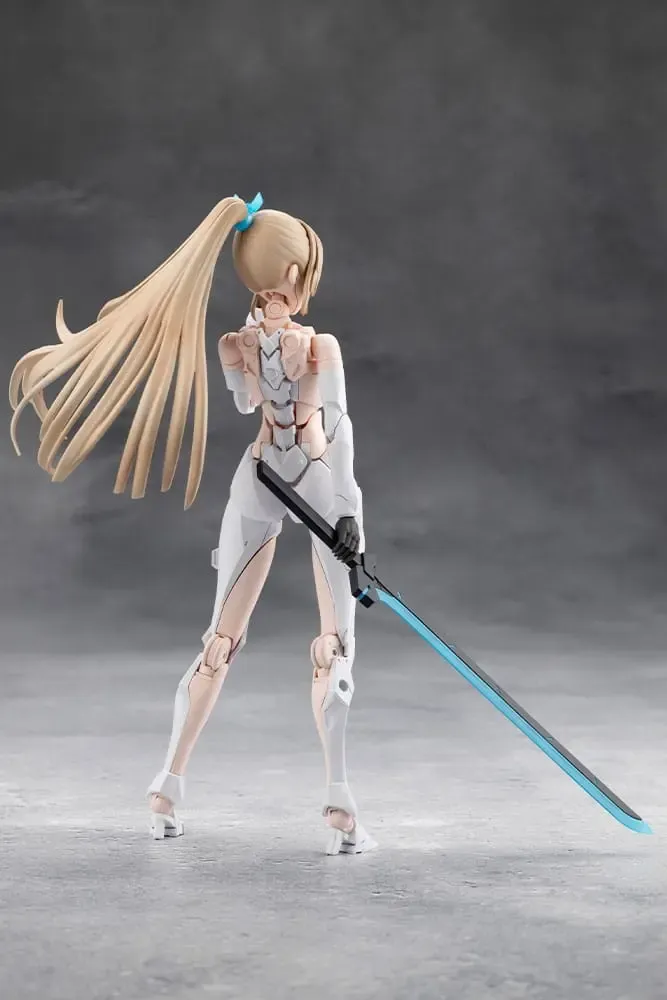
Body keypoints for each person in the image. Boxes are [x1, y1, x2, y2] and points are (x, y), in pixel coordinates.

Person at [9, 193, 377, 855]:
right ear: (296, 274)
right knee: (333, 646)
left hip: (260, 472)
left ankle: (167, 789)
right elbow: (337, 428)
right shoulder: (319, 345)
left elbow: (244, 403)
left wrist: (253, 351)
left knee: (219, 643)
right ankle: (339, 801)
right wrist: (347, 511)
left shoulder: (234, 343)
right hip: (316, 475)